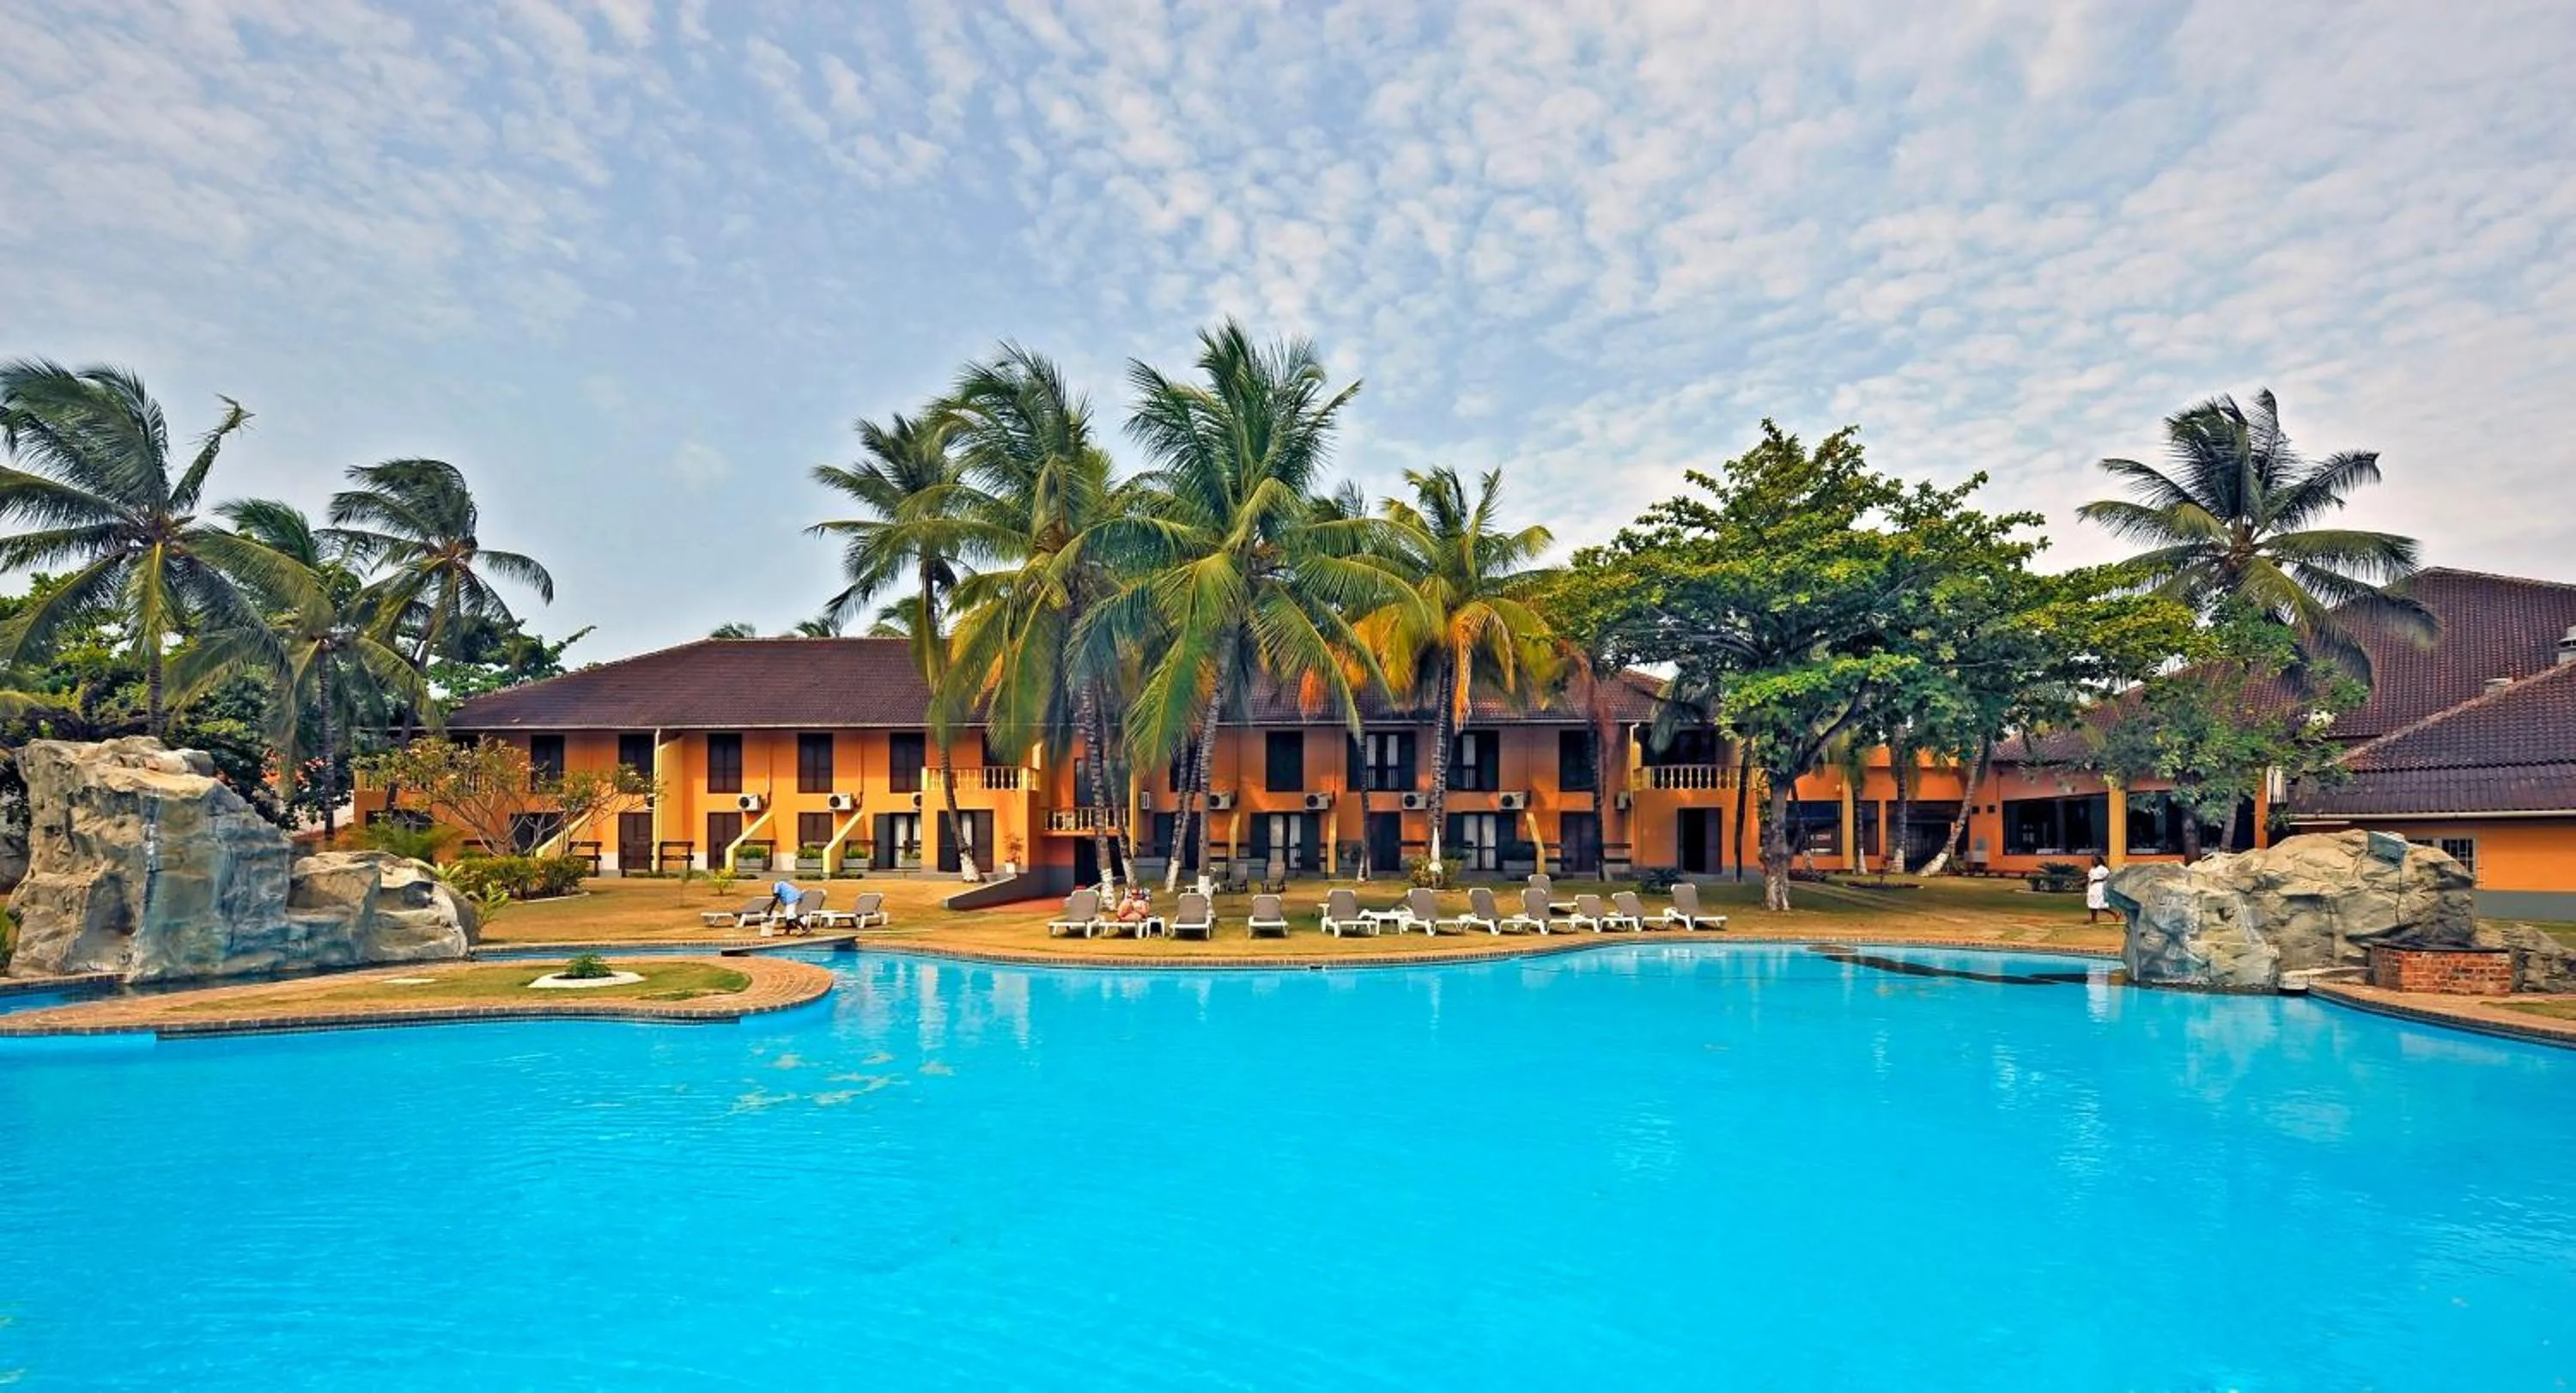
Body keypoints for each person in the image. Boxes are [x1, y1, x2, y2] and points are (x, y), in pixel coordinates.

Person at [2085, 856, 2111, 923]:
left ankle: (2094, 920)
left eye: (2094, 860)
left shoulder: (2103, 869)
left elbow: (2108, 877)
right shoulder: (2092, 869)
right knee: (2091, 903)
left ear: (2099, 861)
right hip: (2092, 888)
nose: (2093, 862)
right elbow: (2089, 878)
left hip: (2100, 887)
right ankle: (2094, 919)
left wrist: (2097, 880)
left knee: (2096, 903)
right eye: (2092, 860)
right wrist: (2086, 885)